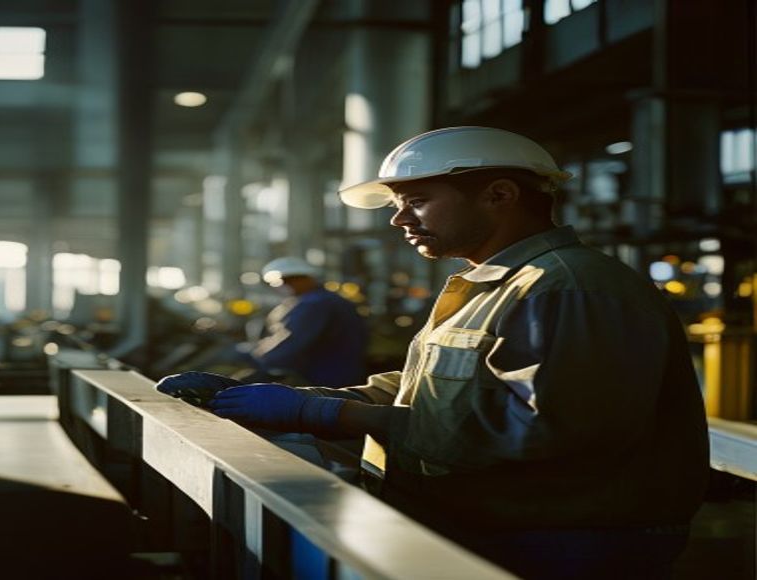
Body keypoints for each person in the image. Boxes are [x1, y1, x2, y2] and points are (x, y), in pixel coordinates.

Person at [157, 127, 709, 579]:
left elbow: (550, 432)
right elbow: (426, 388)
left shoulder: (568, 289)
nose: (399, 220)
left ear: (500, 195)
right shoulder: (494, 284)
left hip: (565, 543)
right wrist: (306, 400)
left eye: (417, 201)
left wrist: (327, 416)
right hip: (501, 527)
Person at [234, 256, 367, 387]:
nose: (281, 285)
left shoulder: (315, 304)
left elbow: (288, 346)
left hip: (324, 380)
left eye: (288, 280)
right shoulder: (318, 299)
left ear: (307, 278)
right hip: (334, 375)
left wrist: (254, 358)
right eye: (276, 282)